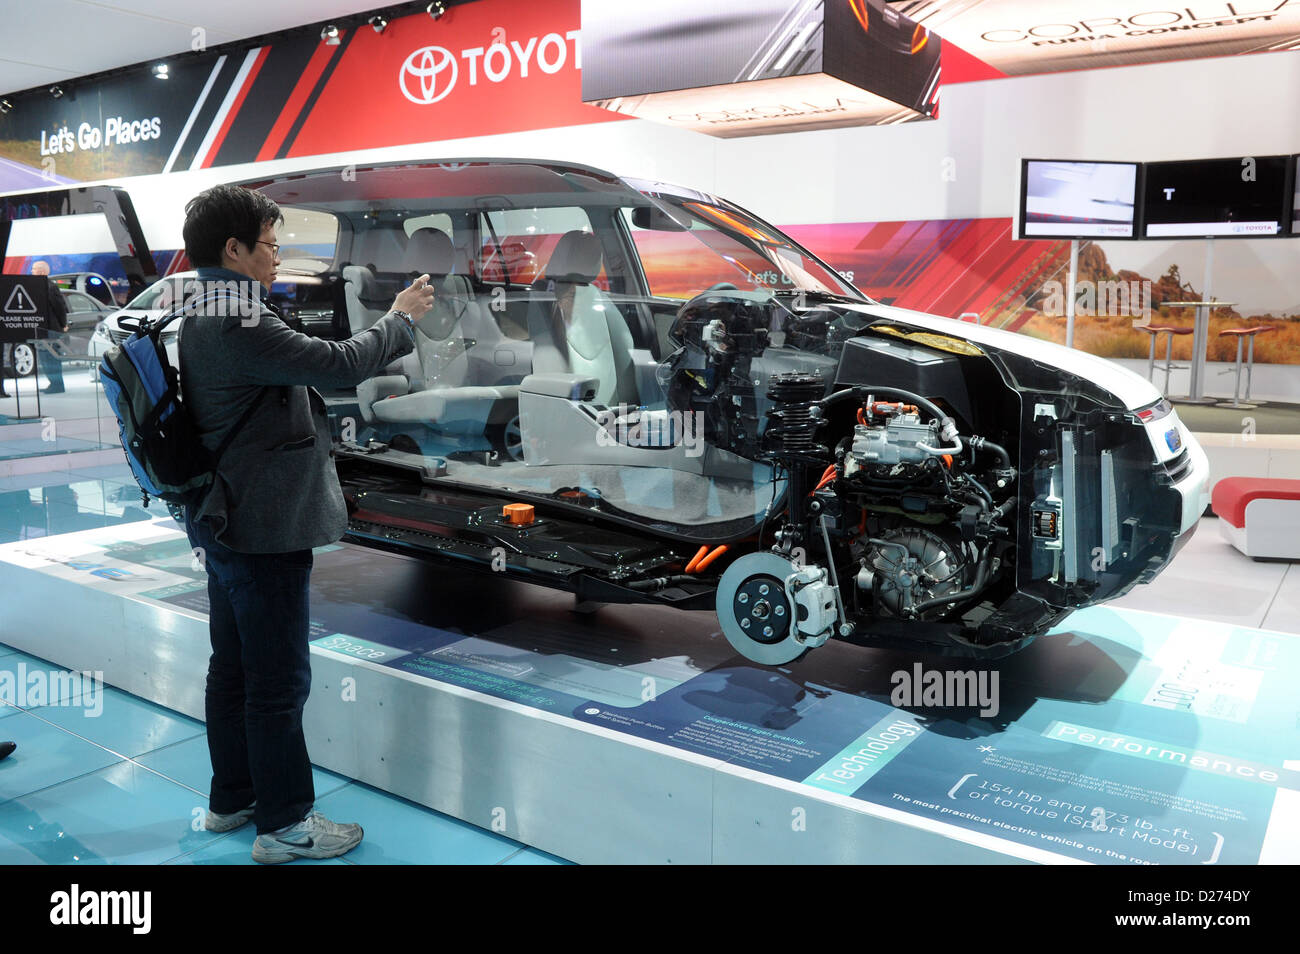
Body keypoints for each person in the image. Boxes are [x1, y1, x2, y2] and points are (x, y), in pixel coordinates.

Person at [178, 185, 433, 863]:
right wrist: (400, 318)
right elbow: (341, 362)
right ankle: (286, 824)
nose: (277, 256)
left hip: (225, 518)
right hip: (263, 527)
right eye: (269, 244)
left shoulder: (204, 306)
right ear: (232, 249)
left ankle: (233, 799)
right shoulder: (239, 321)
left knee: (233, 669)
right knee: (278, 679)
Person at [31, 261, 68, 394]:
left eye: (34, 269)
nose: (31, 271)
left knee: (52, 358)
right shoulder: (37, 287)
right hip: (41, 329)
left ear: (41, 271)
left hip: (51, 330)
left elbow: (60, 308)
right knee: (45, 358)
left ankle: (57, 385)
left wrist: (63, 324)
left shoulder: (50, 287)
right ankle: (54, 384)